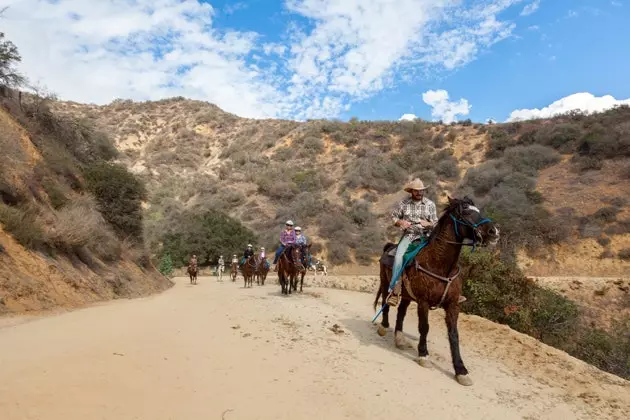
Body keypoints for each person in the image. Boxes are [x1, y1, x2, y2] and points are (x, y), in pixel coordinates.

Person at [387, 178, 437, 307]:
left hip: (427, 236)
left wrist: (429, 224)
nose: (419, 193)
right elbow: (394, 217)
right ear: (411, 191)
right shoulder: (404, 204)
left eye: (421, 190)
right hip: (409, 236)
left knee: (443, 255)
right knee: (398, 257)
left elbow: (436, 223)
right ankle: (394, 291)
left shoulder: (430, 205)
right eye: (417, 191)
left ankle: (448, 291)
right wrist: (401, 222)